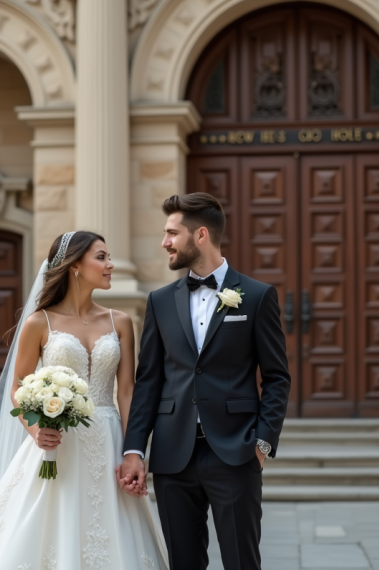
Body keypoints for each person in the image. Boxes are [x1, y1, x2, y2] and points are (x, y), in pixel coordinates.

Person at [0, 231, 168, 570]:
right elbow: (19, 389)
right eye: (102, 257)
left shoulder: (120, 322)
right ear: (75, 266)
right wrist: (37, 430)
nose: (111, 264)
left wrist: (133, 451)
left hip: (109, 439)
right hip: (58, 443)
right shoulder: (40, 322)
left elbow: (127, 392)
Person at [118, 193, 291, 570]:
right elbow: (148, 381)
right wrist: (135, 449)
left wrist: (261, 442)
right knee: (183, 563)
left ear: (200, 235)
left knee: (242, 561)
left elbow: (277, 377)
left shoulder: (258, 296)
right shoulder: (160, 301)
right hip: (172, 456)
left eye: (171, 233)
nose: (164, 242)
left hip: (235, 451)